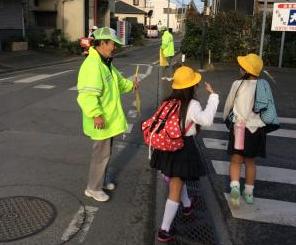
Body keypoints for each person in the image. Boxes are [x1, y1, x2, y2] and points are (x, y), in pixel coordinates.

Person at [150, 66, 219, 242]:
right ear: (192, 86)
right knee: (175, 186)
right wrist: (213, 97)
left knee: (177, 180)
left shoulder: (167, 102)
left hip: (166, 148)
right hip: (182, 148)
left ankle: (187, 206)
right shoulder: (192, 104)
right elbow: (207, 120)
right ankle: (164, 230)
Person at [77, 27, 139, 202]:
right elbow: (87, 94)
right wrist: (96, 114)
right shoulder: (92, 65)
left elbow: (119, 83)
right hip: (100, 120)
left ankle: (101, 182)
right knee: (100, 155)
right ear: (102, 43)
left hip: (108, 120)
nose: (115, 47)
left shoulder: (106, 63)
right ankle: (93, 188)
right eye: (113, 43)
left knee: (105, 154)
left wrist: (131, 84)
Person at [223, 53, 267, 207]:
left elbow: (229, 104)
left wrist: (225, 118)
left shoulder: (237, 84)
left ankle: (235, 189)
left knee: (236, 161)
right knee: (250, 162)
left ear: (245, 70)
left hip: (239, 128)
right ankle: (248, 193)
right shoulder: (263, 86)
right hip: (256, 129)